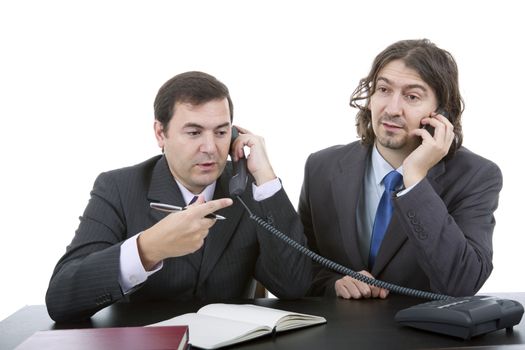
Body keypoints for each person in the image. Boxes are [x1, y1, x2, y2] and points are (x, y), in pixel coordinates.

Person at [46, 71, 312, 322]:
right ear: (161, 134)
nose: (210, 148)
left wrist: (265, 177)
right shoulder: (117, 187)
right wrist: (148, 249)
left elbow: (294, 286)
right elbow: (61, 298)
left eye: (221, 132)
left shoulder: (251, 190)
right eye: (194, 132)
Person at [298, 39, 502, 300]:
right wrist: (334, 283)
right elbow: (301, 265)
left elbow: (462, 282)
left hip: (426, 337)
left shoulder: (477, 176)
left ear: (441, 113)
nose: (392, 109)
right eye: (383, 89)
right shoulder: (321, 167)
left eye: (412, 96)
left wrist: (415, 180)